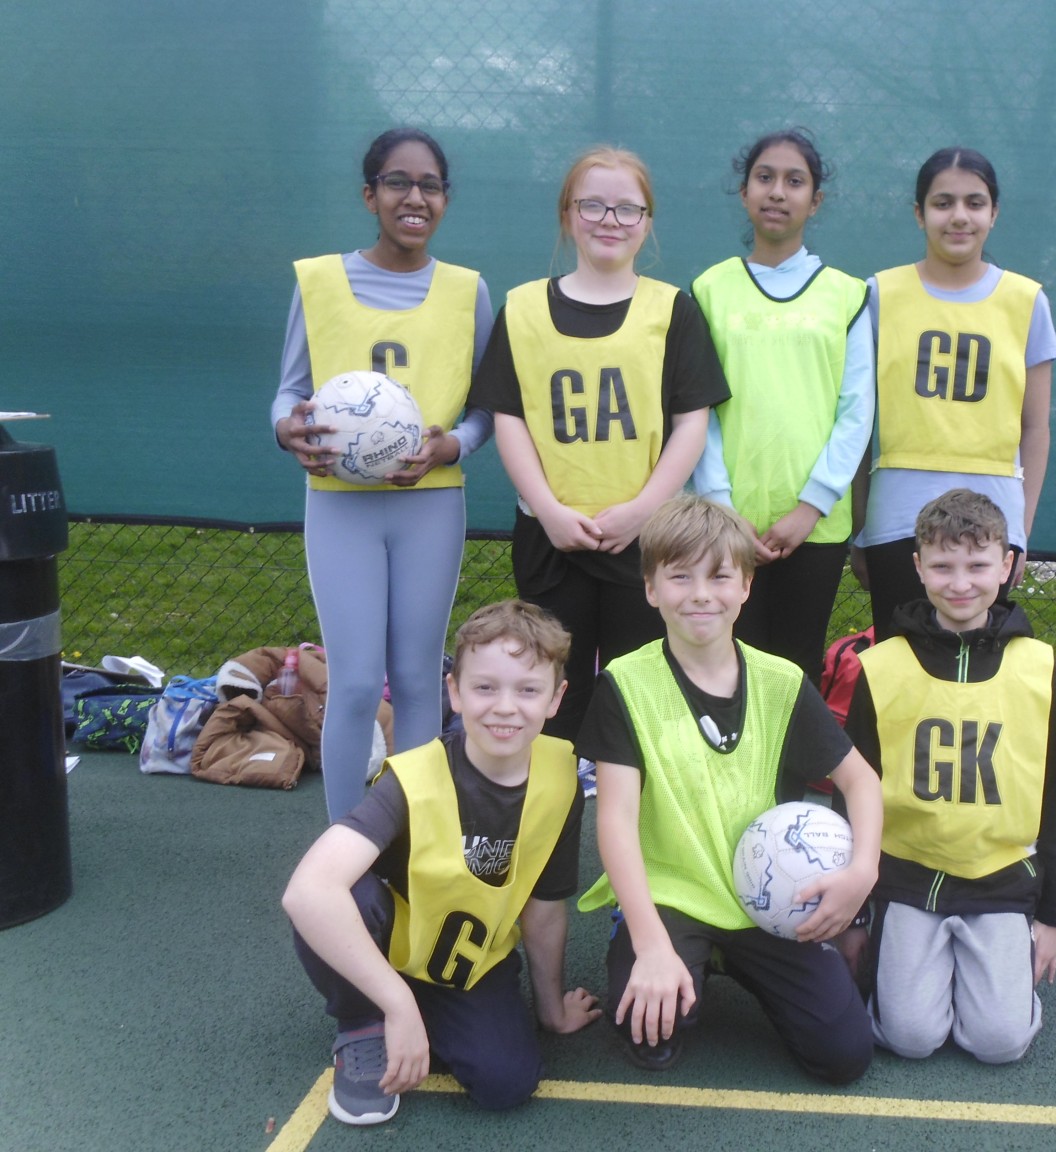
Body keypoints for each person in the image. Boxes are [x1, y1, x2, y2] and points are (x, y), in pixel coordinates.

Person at [574, 495, 882, 1082]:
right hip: (674, 892)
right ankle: (672, 947)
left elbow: (861, 781)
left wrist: (861, 873)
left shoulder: (781, 681)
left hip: (767, 895)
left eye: (719, 576)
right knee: (650, 1033)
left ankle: (731, 956)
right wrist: (651, 943)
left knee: (844, 1056)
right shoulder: (624, 682)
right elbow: (613, 822)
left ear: (745, 585)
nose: (700, 594)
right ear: (651, 589)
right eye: (680, 576)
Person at [282, 600, 600, 1126]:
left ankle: (424, 1014)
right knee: (347, 891)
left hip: (466, 962)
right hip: (387, 949)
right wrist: (395, 1005)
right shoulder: (414, 778)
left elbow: (545, 907)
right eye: (484, 687)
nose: (505, 706)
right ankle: (363, 1023)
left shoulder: (562, 776)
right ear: (454, 691)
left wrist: (551, 1009)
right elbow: (307, 892)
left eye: (527, 690)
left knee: (507, 1084)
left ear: (555, 699)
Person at [273, 127, 495, 821]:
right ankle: (347, 846)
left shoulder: (467, 291)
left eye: (430, 185)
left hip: (428, 505)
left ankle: (416, 838)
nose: (414, 197)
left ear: (445, 202)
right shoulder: (320, 282)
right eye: (398, 182)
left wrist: (450, 445)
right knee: (359, 681)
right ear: (370, 194)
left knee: (419, 679)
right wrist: (285, 429)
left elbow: (488, 409)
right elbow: (289, 391)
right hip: (341, 505)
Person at [469, 146, 728, 742]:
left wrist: (643, 511)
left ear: (647, 223)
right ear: (568, 215)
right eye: (593, 205)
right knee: (551, 702)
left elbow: (692, 424)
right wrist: (551, 510)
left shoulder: (672, 310)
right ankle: (549, 832)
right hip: (552, 535)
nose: (610, 220)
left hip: (646, 539)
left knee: (639, 701)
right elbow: (509, 419)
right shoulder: (525, 307)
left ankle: (634, 833)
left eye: (627, 209)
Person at [842, 489, 1056, 1063]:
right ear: (917, 567)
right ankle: (920, 968)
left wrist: (1054, 916)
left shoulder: (1040, 668)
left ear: (1006, 565)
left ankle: (996, 973)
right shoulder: (881, 668)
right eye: (943, 566)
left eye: (977, 565)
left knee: (1001, 1043)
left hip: (1000, 880)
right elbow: (852, 791)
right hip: (908, 878)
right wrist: (853, 911)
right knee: (909, 1039)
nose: (961, 582)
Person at [852, 147, 1056, 641]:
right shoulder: (881, 294)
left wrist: (1020, 530)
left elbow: (1036, 427)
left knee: (976, 666)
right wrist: (859, 524)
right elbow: (857, 421)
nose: (959, 216)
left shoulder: (1026, 300)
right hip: (896, 516)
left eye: (975, 202)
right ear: (919, 213)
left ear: (994, 213)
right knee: (901, 662)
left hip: (993, 518)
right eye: (943, 202)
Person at [690, 129, 873, 683]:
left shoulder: (847, 295)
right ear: (744, 192)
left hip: (812, 529)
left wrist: (810, 507)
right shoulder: (708, 290)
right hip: (725, 524)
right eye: (765, 177)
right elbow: (695, 409)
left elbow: (857, 410)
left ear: (814, 201)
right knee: (721, 669)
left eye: (795, 181)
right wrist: (722, 508)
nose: (778, 191)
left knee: (793, 672)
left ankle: (789, 774)